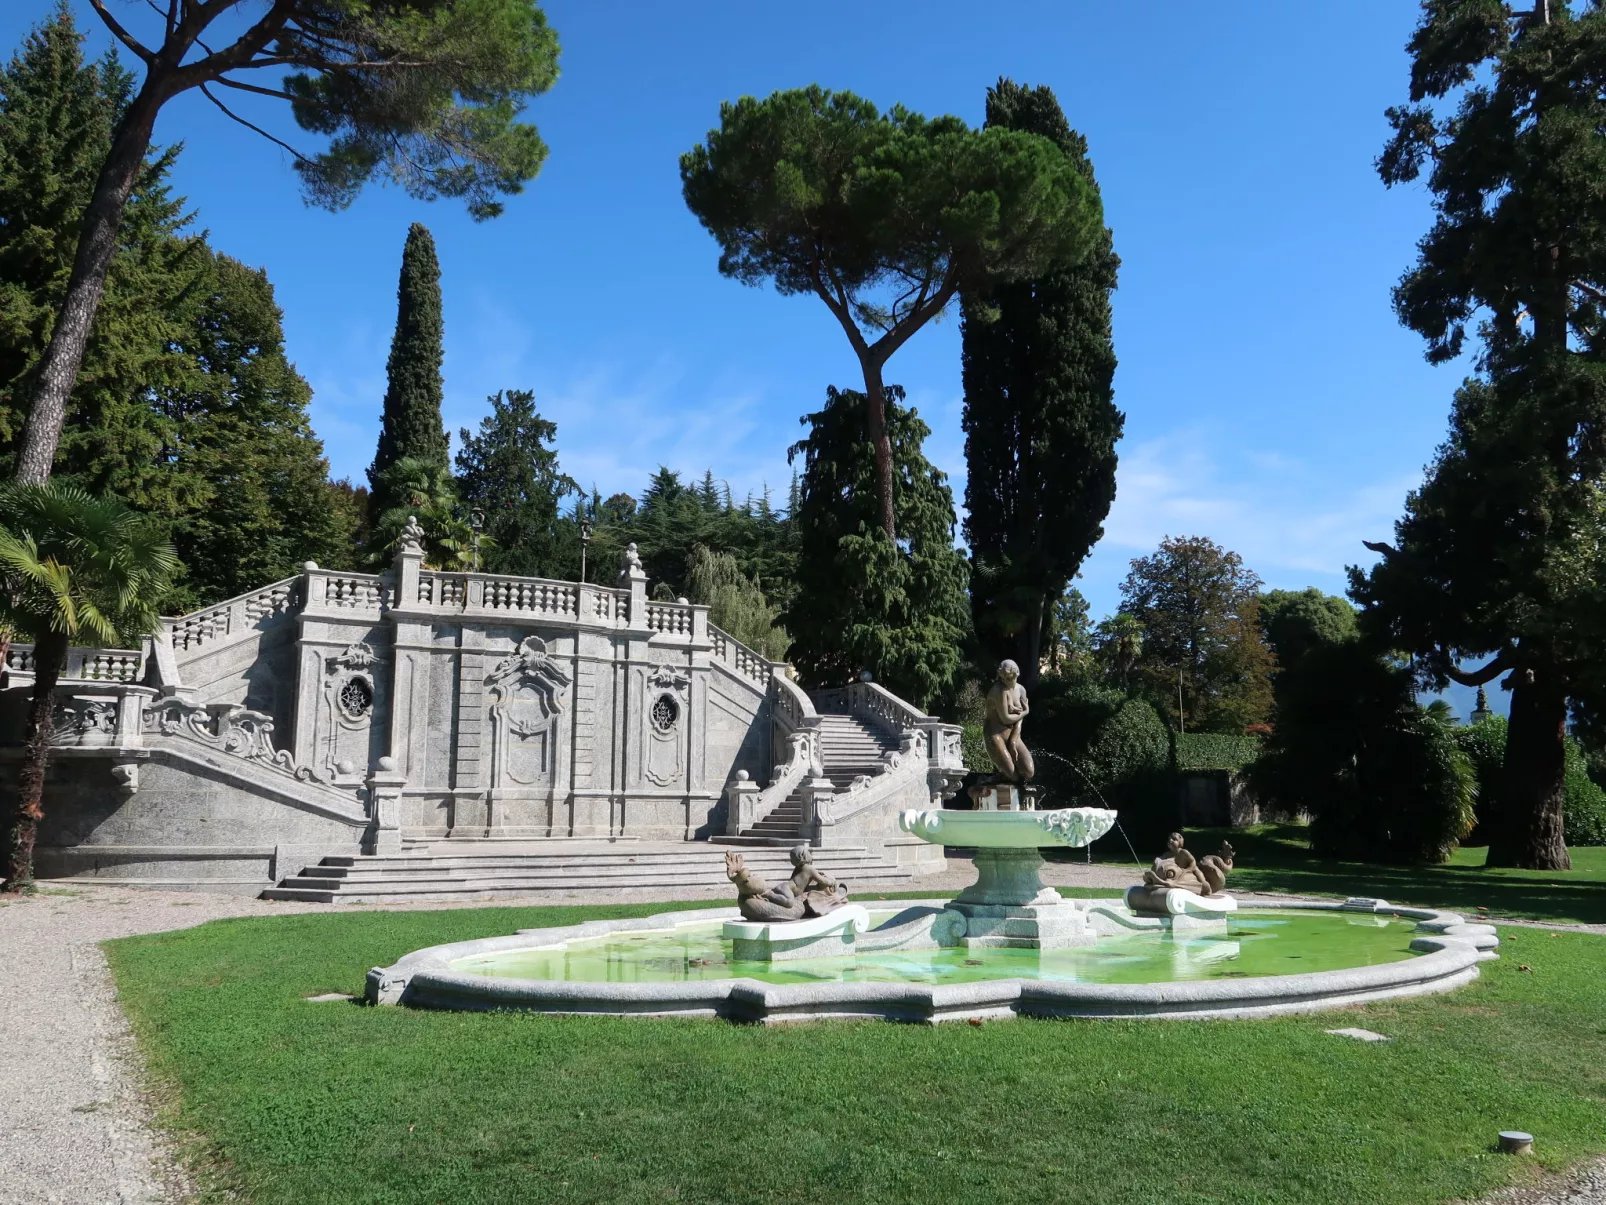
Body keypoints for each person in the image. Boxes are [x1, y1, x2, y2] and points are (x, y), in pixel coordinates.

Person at [983, 659, 1034, 782]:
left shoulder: (1021, 690)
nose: (1006, 681)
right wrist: (1025, 712)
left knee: (1028, 772)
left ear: (1016, 675)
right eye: (1003, 678)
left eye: (1009, 678)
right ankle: (995, 779)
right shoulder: (999, 690)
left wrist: (1013, 741)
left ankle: (1000, 777)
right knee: (1012, 775)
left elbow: (1019, 720)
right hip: (995, 734)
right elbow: (1006, 719)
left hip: (1011, 733)